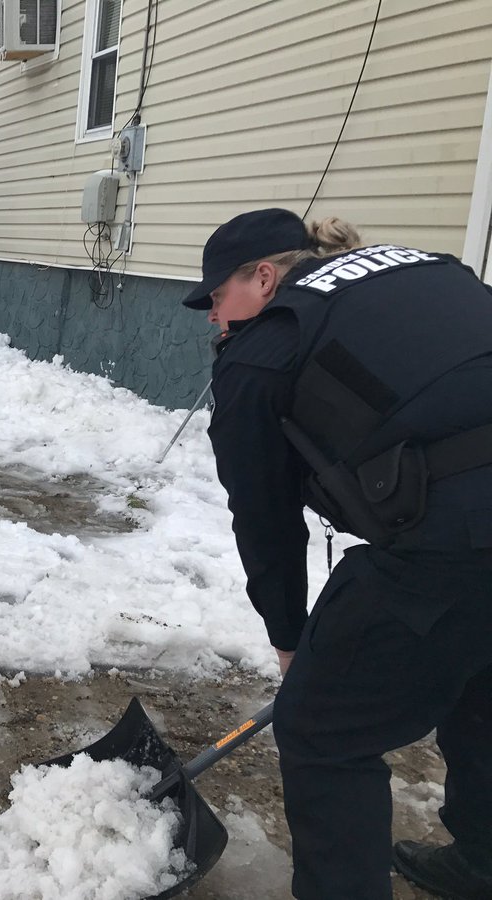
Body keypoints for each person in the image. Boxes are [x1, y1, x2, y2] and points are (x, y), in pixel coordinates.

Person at [182, 207, 492, 899]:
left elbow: (262, 516)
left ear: (262, 278)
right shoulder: (422, 267)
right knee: (480, 678)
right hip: (467, 524)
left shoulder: (264, 351)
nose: (212, 318)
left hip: (456, 537)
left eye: (215, 298)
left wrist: (292, 640)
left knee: (325, 730)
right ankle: (483, 862)